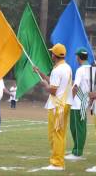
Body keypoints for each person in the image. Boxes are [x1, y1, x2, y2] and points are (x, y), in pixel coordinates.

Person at [33, 43, 73, 171]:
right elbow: (54, 81)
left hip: (57, 105)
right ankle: (58, 160)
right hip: (64, 104)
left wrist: (45, 85)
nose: (51, 55)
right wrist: (40, 73)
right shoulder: (67, 68)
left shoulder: (57, 70)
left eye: (52, 53)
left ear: (54, 55)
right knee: (59, 134)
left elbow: (53, 90)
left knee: (55, 135)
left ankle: (57, 163)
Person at [65, 48, 92, 161]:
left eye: (76, 56)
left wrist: (71, 98)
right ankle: (77, 149)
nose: (76, 58)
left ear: (79, 57)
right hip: (85, 101)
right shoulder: (91, 69)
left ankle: (77, 152)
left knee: (76, 127)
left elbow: (75, 87)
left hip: (77, 102)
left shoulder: (80, 70)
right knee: (79, 127)